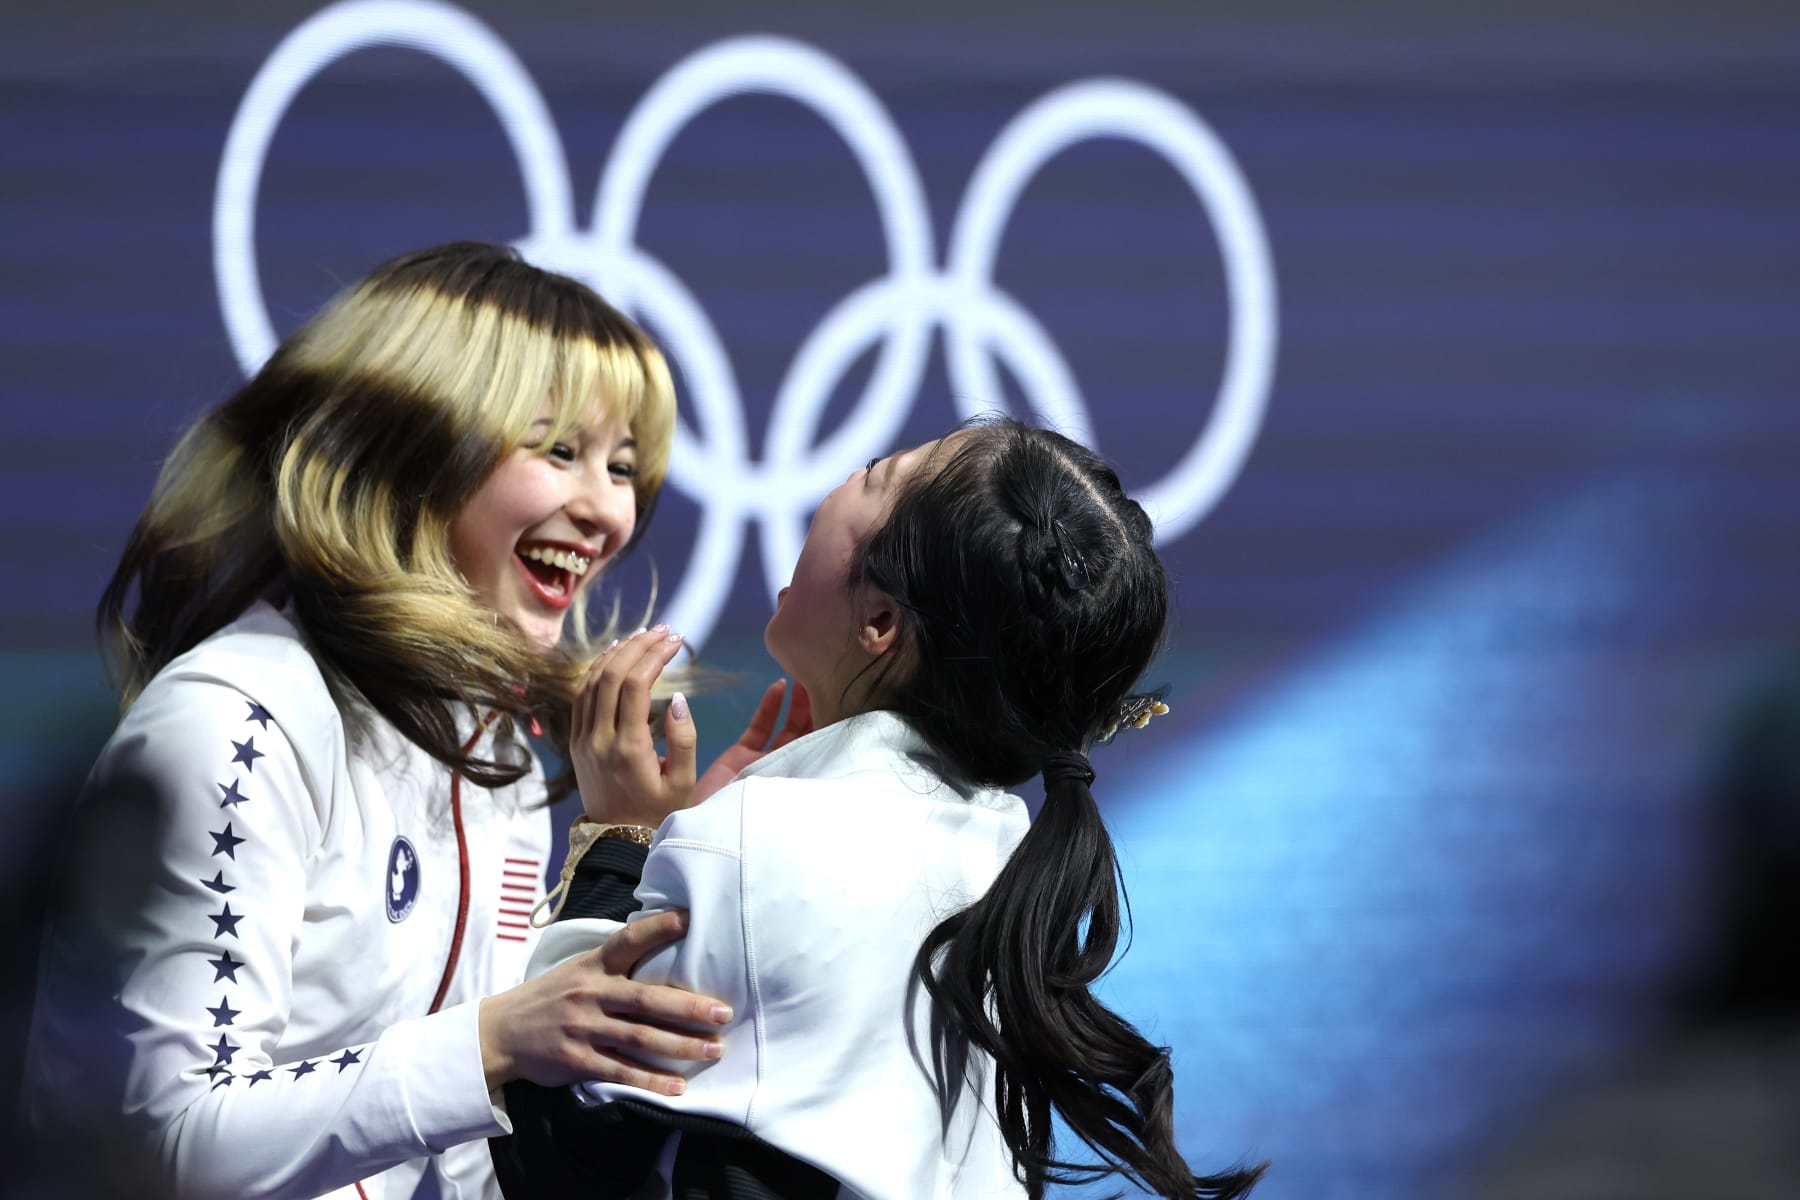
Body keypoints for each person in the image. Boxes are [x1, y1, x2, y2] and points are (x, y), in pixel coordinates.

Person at [18, 242, 787, 1200]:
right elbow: (165, 1140)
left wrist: (643, 866)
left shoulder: (497, 745)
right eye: (557, 451)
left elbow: (471, 1154)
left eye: (623, 467)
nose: (606, 512)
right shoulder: (235, 726)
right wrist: (495, 1039)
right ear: (411, 449)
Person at [493, 420, 1267, 1199]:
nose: (833, 488)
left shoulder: (757, 844)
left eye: (870, 475)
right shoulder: (1007, 856)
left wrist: (620, 838)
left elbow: (554, 1147)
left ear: (880, 626)